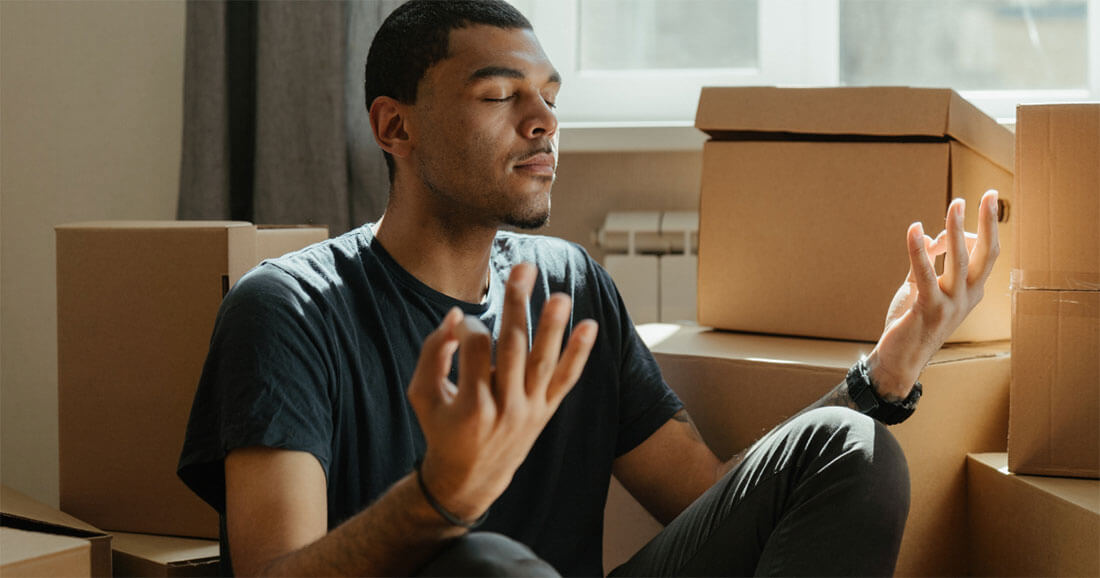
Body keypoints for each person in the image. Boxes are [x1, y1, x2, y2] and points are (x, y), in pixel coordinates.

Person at [177, 1, 1002, 576]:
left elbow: (709, 500)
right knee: (476, 563)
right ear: (397, 127)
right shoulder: (289, 310)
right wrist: (438, 499)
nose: (542, 120)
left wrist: (888, 370)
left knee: (848, 447)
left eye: (549, 96)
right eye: (500, 95)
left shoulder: (571, 286)